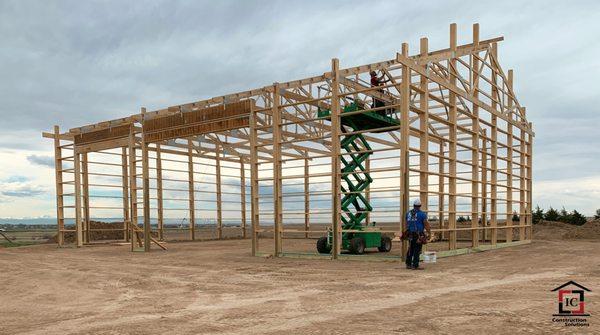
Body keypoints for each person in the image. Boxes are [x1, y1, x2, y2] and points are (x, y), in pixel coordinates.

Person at [404, 198, 431, 270]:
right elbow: (426, 225)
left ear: (413, 205)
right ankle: (415, 265)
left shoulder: (408, 213)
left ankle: (408, 264)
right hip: (418, 234)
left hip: (410, 233)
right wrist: (429, 233)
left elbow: (406, 223)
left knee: (411, 248)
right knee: (417, 249)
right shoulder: (422, 214)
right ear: (420, 206)